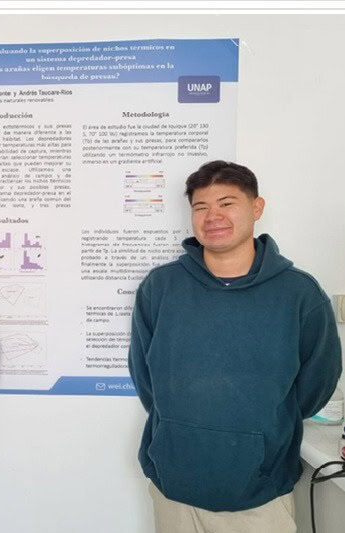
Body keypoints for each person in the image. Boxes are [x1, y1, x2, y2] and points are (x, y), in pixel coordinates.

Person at [128, 160, 342, 533]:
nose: (213, 216)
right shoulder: (160, 287)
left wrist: (259, 430)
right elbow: (145, 377)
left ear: (256, 208)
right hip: (174, 487)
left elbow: (317, 384)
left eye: (227, 203)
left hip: (260, 492)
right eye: (201, 207)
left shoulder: (299, 293)